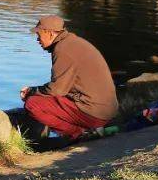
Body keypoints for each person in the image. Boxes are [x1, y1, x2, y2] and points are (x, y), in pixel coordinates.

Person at [18, 15, 119, 143]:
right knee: (44, 97)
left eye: (39, 34)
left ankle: (79, 134)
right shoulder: (72, 42)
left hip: (95, 112)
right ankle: (87, 130)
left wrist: (31, 91)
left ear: (49, 33)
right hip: (106, 108)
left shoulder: (62, 50)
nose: (37, 39)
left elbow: (57, 90)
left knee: (33, 104)